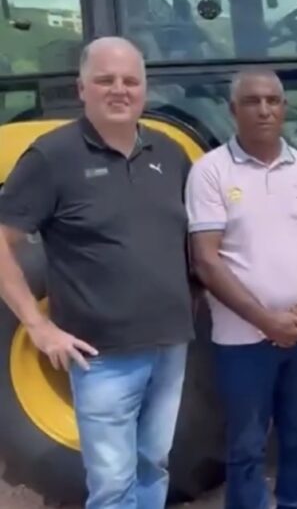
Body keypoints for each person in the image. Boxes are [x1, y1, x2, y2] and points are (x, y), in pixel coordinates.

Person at [0, 36, 195, 508]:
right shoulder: (52, 157)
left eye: (130, 80)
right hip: (102, 356)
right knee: (112, 484)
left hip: (170, 345)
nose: (119, 90)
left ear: (145, 89)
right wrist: (38, 326)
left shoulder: (170, 153)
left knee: (153, 464)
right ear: (81, 88)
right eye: (105, 80)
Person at [186, 69, 297, 509]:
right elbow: (206, 260)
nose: (264, 109)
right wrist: (266, 321)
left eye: (273, 100)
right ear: (233, 110)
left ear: (285, 108)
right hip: (243, 342)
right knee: (246, 446)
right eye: (252, 101)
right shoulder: (210, 171)